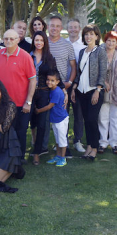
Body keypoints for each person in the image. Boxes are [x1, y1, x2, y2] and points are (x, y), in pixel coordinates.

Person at [0, 29, 36, 163]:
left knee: (20, 132)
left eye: (12, 39)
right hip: (3, 103)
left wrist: (28, 101)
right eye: (6, 38)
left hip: (20, 103)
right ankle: (5, 158)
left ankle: (19, 159)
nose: (9, 41)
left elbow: (32, 79)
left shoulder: (25, 56)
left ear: (18, 40)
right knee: (3, 131)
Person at [71, 24, 107, 160]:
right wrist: (74, 88)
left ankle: (95, 148)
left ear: (97, 36)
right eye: (86, 34)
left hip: (94, 91)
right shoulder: (82, 52)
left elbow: (103, 73)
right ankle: (89, 147)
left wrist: (98, 90)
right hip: (81, 91)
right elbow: (80, 73)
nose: (88, 36)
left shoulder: (100, 51)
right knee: (87, 121)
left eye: (92, 34)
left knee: (92, 120)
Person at [29, 31, 65, 165]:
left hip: (44, 93)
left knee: (42, 124)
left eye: (41, 40)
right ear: (33, 41)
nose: (39, 43)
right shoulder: (28, 56)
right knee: (30, 121)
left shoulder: (49, 58)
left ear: (45, 42)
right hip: (30, 93)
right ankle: (23, 151)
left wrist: (63, 90)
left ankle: (37, 153)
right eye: (36, 40)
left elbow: (56, 75)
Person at [48, 15, 76, 157]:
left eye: (58, 26)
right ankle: (45, 146)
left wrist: (69, 83)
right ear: (48, 27)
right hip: (44, 87)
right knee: (46, 118)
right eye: (52, 25)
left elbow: (73, 67)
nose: (55, 28)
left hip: (61, 89)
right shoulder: (42, 43)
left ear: (61, 28)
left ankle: (63, 147)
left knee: (62, 118)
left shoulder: (67, 45)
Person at [98, 31, 117, 154]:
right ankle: (103, 142)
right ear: (105, 41)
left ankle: (114, 142)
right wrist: (103, 82)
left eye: (113, 41)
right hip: (103, 90)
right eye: (109, 40)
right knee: (103, 117)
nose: (111, 43)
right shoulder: (100, 55)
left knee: (116, 118)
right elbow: (96, 71)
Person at [34, 70, 69, 167]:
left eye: (52, 80)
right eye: (48, 80)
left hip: (61, 119)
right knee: (57, 139)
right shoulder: (52, 90)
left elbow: (50, 106)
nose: (49, 82)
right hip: (55, 119)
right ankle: (58, 155)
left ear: (58, 82)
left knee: (62, 139)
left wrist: (38, 110)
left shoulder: (57, 92)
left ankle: (63, 158)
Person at [66, 18, 86, 152]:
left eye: (76, 27)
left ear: (80, 29)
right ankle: (64, 141)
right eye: (71, 27)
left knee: (79, 113)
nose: (73, 29)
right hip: (63, 84)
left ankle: (77, 140)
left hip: (79, 84)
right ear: (67, 29)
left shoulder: (84, 46)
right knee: (64, 113)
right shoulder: (63, 43)